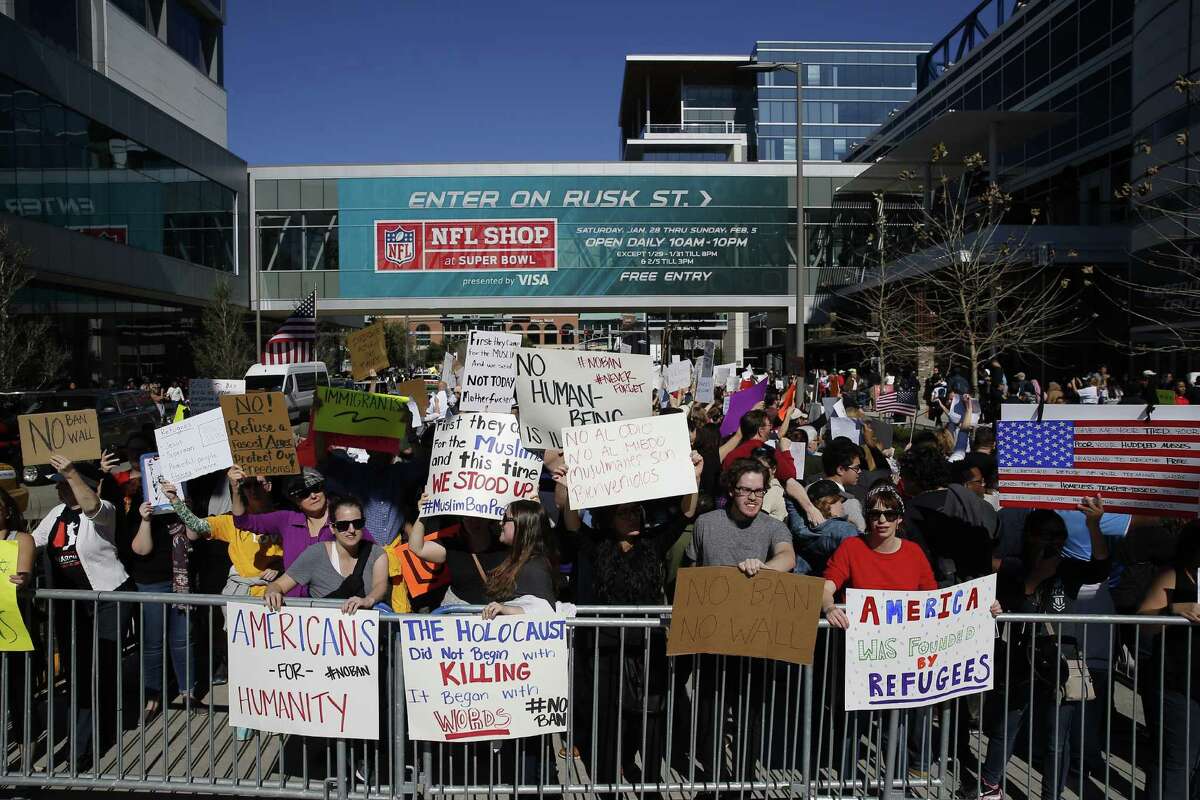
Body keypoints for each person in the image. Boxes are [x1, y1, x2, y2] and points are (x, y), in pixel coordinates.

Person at [977, 499, 1108, 800]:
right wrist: (1036, 577)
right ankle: (989, 785)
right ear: (1030, 536)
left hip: (1063, 659)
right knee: (1007, 727)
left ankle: (1051, 794)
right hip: (1023, 657)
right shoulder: (1013, 567)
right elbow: (1008, 601)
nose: (1052, 543)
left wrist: (1093, 525)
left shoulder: (1069, 568)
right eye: (1045, 535)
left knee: (1056, 738)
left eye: (1058, 537)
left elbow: (1101, 568)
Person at [683, 459, 795, 785]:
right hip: (712, 637)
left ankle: (744, 782)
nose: (752, 498)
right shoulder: (706, 523)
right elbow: (692, 567)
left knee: (750, 717)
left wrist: (763, 567)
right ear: (732, 490)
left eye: (759, 492)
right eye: (746, 490)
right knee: (711, 712)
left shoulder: (774, 526)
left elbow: (788, 557)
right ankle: (716, 779)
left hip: (755, 640)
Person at [31, 454, 132, 767]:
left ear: (82, 484)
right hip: (72, 605)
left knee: (98, 670)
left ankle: (83, 747)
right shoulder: (56, 514)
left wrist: (73, 472)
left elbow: (92, 508)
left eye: (64, 483)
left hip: (108, 600)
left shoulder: (104, 511)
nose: (60, 490)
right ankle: (84, 740)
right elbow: (31, 542)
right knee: (79, 672)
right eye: (59, 485)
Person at [231, 466, 373, 596]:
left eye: (316, 487)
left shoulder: (343, 519)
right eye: (303, 493)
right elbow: (243, 521)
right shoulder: (286, 519)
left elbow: (374, 552)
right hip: (294, 610)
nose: (313, 495)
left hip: (335, 608)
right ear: (294, 499)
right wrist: (236, 489)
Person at [1138, 520, 1200, 800]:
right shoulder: (1174, 575)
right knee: (1177, 760)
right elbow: (1143, 620)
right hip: (1176, 681)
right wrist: (1173, 609)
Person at [129, 497, 204, 714]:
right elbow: (141, 550)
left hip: (181, 581)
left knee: (183, 640)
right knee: (153, 643)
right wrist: (145, 520)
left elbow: (194, 535)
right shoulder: (140, 505)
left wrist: (183, 507)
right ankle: (152, 696)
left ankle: (188, 693)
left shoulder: (183, 500)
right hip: (151, 583)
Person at [263, 497, 389, 614]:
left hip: (363, 632)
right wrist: (272, 592)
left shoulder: (377, 553)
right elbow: (279, 585)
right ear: (332, 528)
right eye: (343, 525)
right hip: (323, 633)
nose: (351, 530)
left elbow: (380, 585)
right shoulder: (316, 553)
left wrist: (368, 600)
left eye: (357, 523)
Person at [787, 478, 858, 576]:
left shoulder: (800, 526)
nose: (842, 507)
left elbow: (790, 486)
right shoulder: (845, 530)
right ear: (828, 503)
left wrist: (808, 508)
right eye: (840, 502)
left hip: (805, 584)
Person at [818, 438, 867, 532]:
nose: (860, 471)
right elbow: (860, 535)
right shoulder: (849, 503)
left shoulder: (807, 491)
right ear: (840, 469)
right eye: (856, 468)